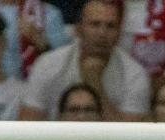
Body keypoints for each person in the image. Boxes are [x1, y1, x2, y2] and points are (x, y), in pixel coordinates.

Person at [17, 0, 151, 121]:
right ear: (78, 29)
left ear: (119, 33)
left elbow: (129, 139)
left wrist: (95, 84)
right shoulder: (48, 64)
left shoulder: (135, 75)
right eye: (95, 24)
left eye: (110, 26)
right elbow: (27, 123)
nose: (102, 33)